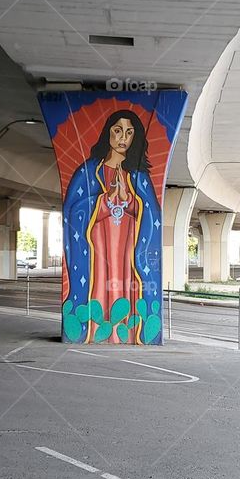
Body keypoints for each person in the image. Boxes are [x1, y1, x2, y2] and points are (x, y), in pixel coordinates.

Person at [62, 110, 161, 344]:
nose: (122, 137)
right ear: (108, 132)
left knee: (125, 282)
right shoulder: (89, 172)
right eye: (117, 130)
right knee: (99, 284)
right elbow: (73, 213)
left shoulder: (138, 177)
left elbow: (151, 214)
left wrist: (130, 201)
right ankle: (96, 329)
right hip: (97, 248)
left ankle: (125, 330)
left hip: (128, 247)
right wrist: (104, 201)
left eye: (129, 132)